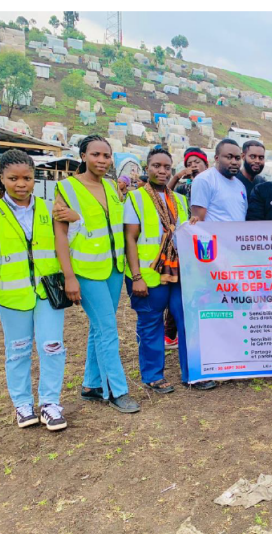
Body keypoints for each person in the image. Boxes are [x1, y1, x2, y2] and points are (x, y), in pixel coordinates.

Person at [0, 150, 67, 431]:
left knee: (52, 347)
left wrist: (73, 219)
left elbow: (66, 242)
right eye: (13, 178)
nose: (20, 184)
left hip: (47, 292)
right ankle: (22, 405)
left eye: (27, 178)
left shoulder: (49, 208)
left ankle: (50, 404)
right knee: (17, 351)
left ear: (34, 178)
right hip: (12, 296)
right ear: (1, 178)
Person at [53, 135, 141, 414]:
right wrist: (69, 276)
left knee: (100, 328)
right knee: (108, 330)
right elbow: (60, 237)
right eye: (95, 155)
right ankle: (116, 390)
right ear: (83, 156)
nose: (102, 160)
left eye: (106, 155)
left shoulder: (112, 187)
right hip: (86, 271)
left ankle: (91, 385)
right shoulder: (67, 188)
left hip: (113, 269)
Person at [124, 146, 217, 393]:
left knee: (186, 319)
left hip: (178, 271)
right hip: (148, 274)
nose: (162, 171)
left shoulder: (180, 200)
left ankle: (193, 373)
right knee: (151, 323)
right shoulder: (135, 198)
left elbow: (184, 233)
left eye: (167, 167)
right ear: (147, 168)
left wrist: (193, 225)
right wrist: (136, 276)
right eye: (156, 166)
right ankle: (153, 375)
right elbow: (130, 238)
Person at [165, 146, 209, 348]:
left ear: (206, 164)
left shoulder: (211, 183)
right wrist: (177, 177)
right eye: (189, 164)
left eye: (197, 162)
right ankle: (170, 334)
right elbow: (166, 195)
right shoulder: (183, 188)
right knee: (182, 288)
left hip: (208, 244)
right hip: (186, 246)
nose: (193, 166)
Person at [189, 138, 248, 223]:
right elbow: (198, 222)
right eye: (229, 157)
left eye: (237, 158)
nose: (234, 162)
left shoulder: (240, 186)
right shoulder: (204, 180)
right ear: (217, 158)